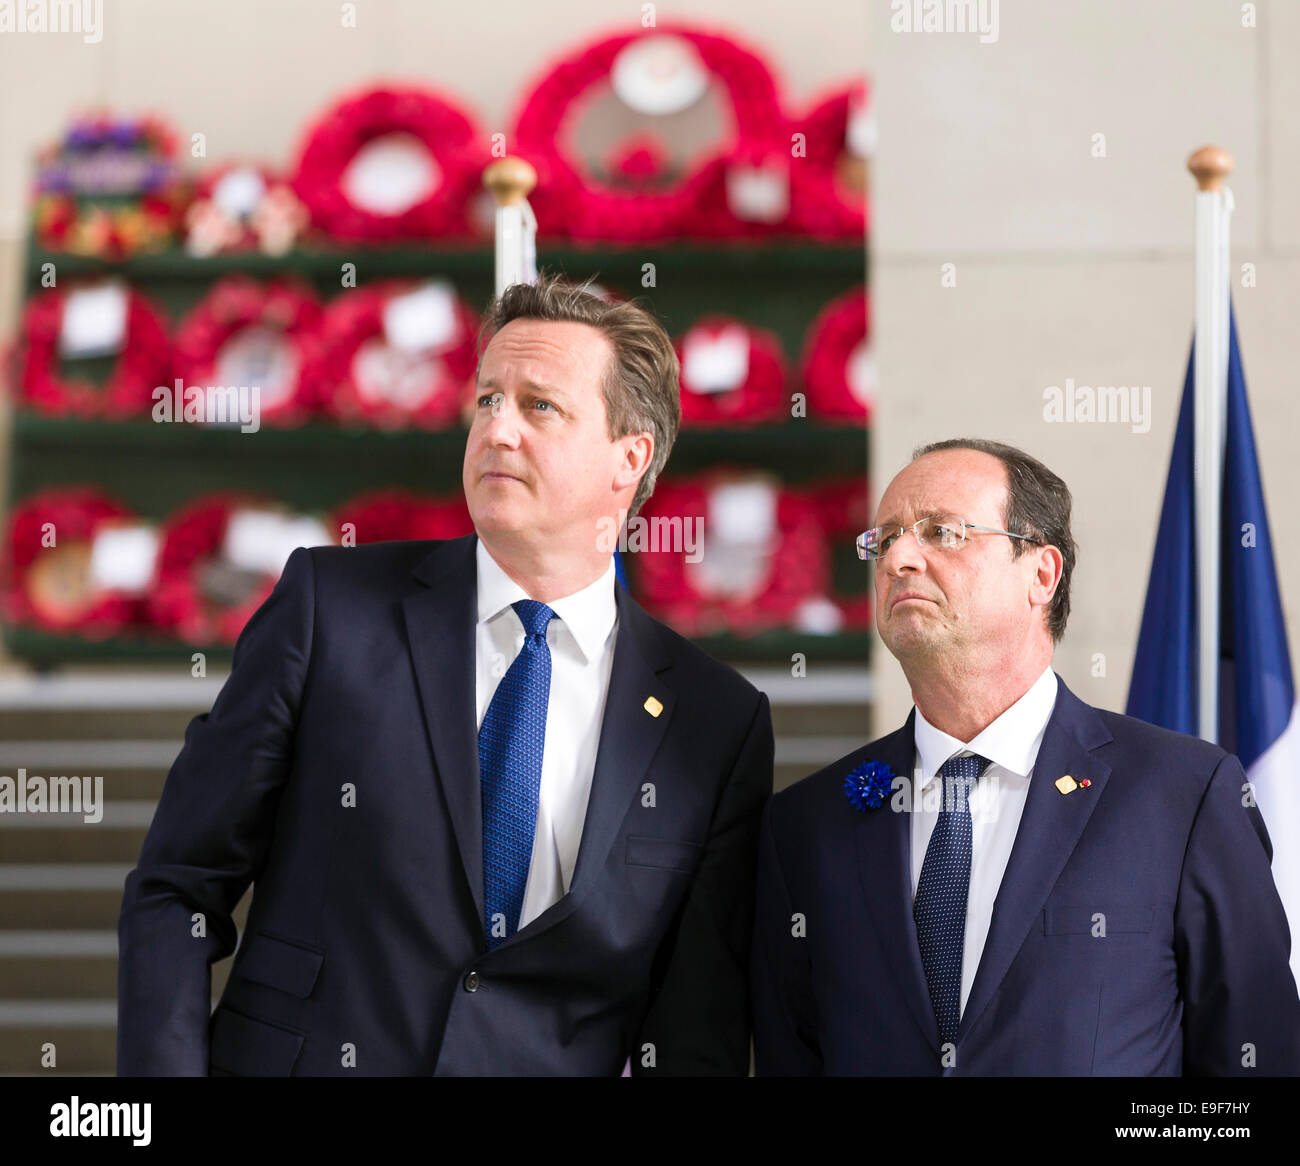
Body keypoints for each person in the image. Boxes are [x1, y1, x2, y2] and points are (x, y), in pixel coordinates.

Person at [117, 272, 773, 1076]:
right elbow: (178, 886)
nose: (498, 430)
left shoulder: (715, 720)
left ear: (628, 458)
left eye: (540, 406)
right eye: (488, 399)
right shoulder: (331, 611)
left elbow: (694, 1033)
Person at [751, 437, 1300, 1075]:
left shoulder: (1183, 796)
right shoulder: (807, 824)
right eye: (884, 539)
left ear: (1041, 574)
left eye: (942, 532)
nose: (899, 556)